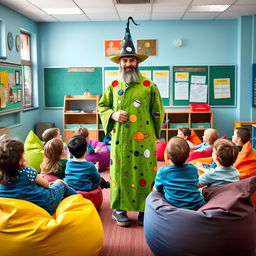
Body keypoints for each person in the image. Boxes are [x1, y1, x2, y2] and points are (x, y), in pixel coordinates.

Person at [98, 17, 164, 227]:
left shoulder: (149, 85)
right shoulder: (113, 85)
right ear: (120, 63)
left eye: (131, 60)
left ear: (137, 62)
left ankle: (146, 209)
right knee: (120, 172)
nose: (128, 64)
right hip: (120, 141)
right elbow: (102, 107)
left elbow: (157, 113)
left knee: (145, 170)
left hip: (144, 141)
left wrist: (154, 136)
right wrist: (113, 115)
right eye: (124, 60)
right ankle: (120, 209)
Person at [0, 137, 78, 215]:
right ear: (19, 161)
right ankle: (81, 199)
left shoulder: (1, 179)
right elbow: (46, 185)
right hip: (46, 205)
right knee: (61, 185)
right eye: (23, 154)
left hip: (23, 210)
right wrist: (56, 182)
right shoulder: (27, 171)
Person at [154, 137, 205, 210]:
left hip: (175, 206)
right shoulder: (193, 168)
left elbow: (158, 189)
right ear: (188, 156)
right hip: (197, 205)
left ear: (167, 156)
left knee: (153, 194)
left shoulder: (163, 171)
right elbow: (196, 183)